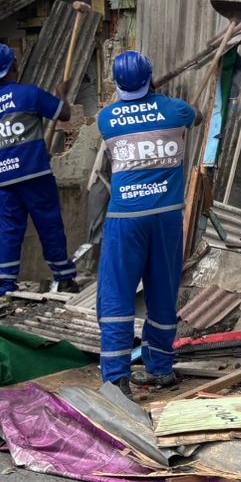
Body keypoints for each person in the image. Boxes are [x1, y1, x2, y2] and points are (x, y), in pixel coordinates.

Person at [96, 51, 196, 392]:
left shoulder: (107, 118)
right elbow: (192, 115)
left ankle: (116, 379)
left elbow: (133, 113)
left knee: (117, 295)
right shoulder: (175, 110)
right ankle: (160, 368)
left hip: (125, 218)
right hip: (166, 217)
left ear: (117, 83)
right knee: (163, 292)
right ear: (150, 77)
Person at [0, 42, 79, 296]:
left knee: (10, 231)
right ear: (14, 64)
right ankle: (64, 276)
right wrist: (60, 95)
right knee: (49, 224)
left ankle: (5, 285)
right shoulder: (29, 94)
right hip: (32, 173)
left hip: (2, 177)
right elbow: (64, 114)